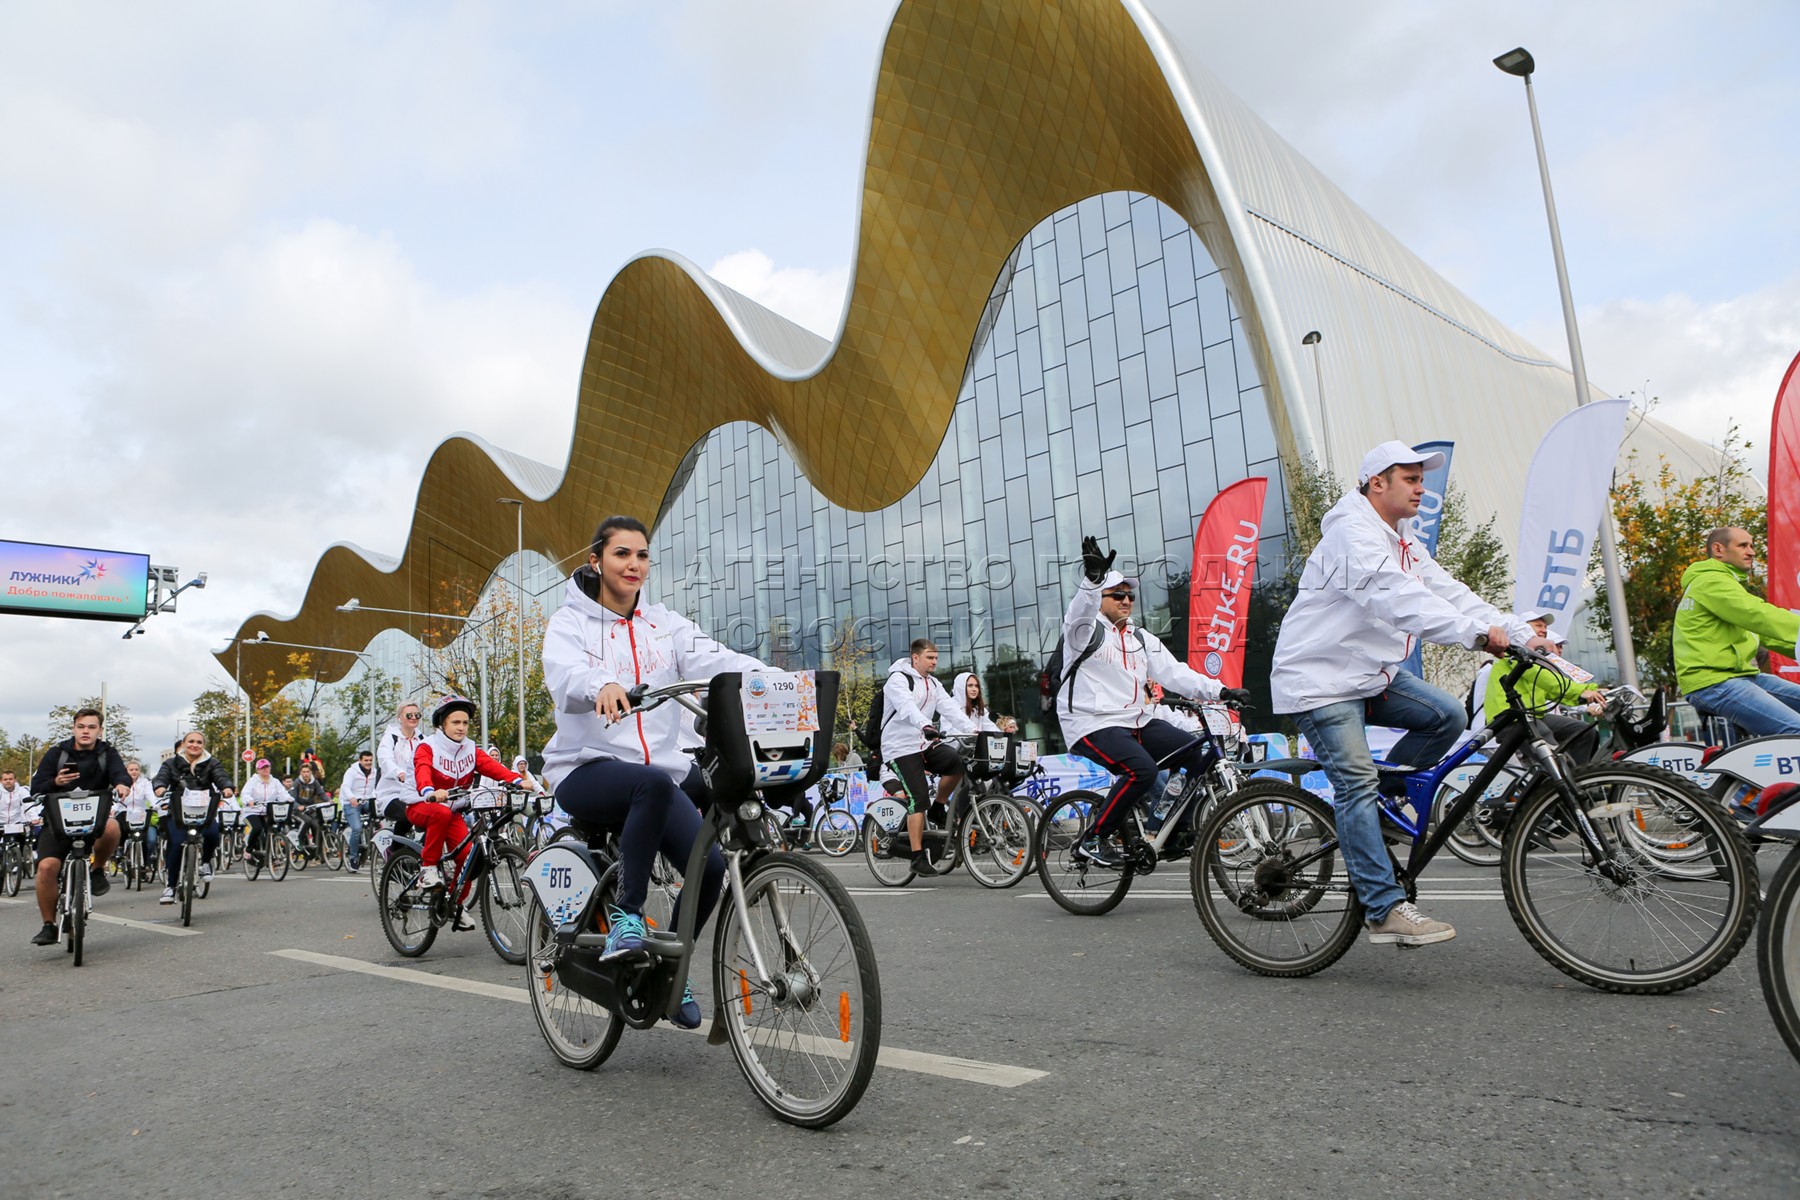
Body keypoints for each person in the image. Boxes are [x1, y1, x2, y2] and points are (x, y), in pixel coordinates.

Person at [1271, 441, 1540, 948]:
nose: (1421, 488)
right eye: (1411, 479)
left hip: (1371, 675)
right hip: (1320, 681)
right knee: (1355, 783)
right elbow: (1398, 599)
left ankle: (1378, 813)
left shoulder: (1402, 539)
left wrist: (1517, 629)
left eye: (1422, 479)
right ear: (1378, 483)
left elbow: (1445, 590)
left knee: (1447, 716)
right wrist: (1475, 636)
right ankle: (1383, 909)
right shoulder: (1352, 535)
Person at [542, 514, 773, 1030]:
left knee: (710, 867)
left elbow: (714, 658)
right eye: (622, 554)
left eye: (642, 555)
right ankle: (627, 916)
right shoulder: (570, 622)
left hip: (657, 772)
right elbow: (565, 672)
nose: (634, 564)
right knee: (650, 783)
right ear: (596, 560)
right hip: (585, 766)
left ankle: (670, 969)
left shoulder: (664, 624)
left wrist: (772, 679)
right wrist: (601, 684)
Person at [1054, 537, 1239, 867]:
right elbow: (1078, 613)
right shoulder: (1083, 634)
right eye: (1117, 595)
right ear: (1100, 599)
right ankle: (1094, 839)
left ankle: (1164, 829)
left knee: (1193, 753)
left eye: (1130, 595)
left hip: (1135, 721)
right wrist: (1092, 582)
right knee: (1142, 770)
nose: (1126, 600)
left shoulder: (1140, 637)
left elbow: (1176, 673)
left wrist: (1222, 692)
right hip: (1092, 723)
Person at [411, 695, 527, 929]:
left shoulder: (470, 748)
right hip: (421, 803)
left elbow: (491, 766)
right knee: (441, 813)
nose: (461, 727)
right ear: (442, 724)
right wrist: (430, 790)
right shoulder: (427, 746)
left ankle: (455, 905)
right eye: (455, 722)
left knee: (469, 859)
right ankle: (427, 869)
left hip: (452, 812)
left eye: (465, 723)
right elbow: (422, 768)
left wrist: (516, 780)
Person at [1674, 526, 1800, 736]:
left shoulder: (1722, 584)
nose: (1752, 552)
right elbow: (1758, 614)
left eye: (1752, 545)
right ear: (1718, 549)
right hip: (1715, 682)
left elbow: (1765, 635)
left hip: (1741, 677)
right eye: (1743, 546)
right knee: (1796, 730)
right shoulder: (1711, 581)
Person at [27, 707, 130, 945]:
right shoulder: (57, 753)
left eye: (92, 727)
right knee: (46, 868)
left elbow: (120, 774)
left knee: (112, 827)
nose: (86, 731)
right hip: (58, 823)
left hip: (94, 821)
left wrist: (122, 784)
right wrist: (56, 781)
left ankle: (97, 870)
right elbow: (36, 787)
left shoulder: (107, 752)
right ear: (73, 728)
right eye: (81, 726)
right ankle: (49, 925)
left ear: (100, 731)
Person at [881, 639, 976, 876]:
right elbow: (907, 708)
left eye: (936, 658)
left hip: (924, 742)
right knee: (918, 796)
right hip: (900, 747)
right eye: (930, 658)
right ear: (915, 658)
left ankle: (938, 807)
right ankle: (917, 856)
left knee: (956, 763)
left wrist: (973, 730)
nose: (935, 662)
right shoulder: (897, 680)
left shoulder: (933, 683)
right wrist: (925, 724)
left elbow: (950, 709)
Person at [151, 731, 235, 904]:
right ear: (183, 744)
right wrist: (160, 787)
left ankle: (206, 863)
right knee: (175, 843)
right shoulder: (171, 763)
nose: (194, 745)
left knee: (212, 834)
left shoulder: (212, 763)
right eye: (191, 741)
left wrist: (227, 788)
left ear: (203, 745)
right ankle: (171, 887)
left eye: (199, 742)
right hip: (178, 811)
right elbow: (161, 777)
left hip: (204, 809)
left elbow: (221, 777)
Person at [375, 701, 425, 838]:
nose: (414, 717)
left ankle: (424, 849)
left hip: (417, 794)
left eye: (417, 715)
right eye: (409, 715)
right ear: (399, 718)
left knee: (436, 816)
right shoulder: (390, 738)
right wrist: (399, 773)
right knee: (408, 815)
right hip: (392, 794)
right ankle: (395, 849)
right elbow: (385, 760)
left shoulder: (424, 740)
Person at [240, 759, 292, 871]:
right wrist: (249, 800)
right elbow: (245, 793)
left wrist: (288, 799)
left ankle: (270, 856)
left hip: (268, 812)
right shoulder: (252, 781)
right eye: (262, 768)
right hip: (251, 811)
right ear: (258, 770)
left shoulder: (275, 782)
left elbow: (282, 793)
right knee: (257, 828)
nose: (265, 769)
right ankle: (248, 850)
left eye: (267, 767)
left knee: (271, 831)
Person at [338, 750, 377, 870]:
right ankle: (353, 857)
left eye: (370, 760)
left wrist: (375, 797)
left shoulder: (374, 772)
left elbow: (375, 788)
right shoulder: (352, 771)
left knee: (379, 818)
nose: (368, 763)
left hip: (366, 801)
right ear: (360, 760)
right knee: (357, 828)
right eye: (366, 760)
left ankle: (374, 847)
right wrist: (352, 798)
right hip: (351, 803)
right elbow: (345, 787)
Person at [120, 759, 158, 867]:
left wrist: (156, 805)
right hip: (125, 815)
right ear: (126, 771)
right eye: (131, 769)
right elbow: (118, 800)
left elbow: (151, 796)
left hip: (142, 816)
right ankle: (121, 852)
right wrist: (113, 809)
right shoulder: (121, 783)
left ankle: (146, 862)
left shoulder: (145, 783)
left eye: (136, 769)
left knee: (151, 840)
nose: (134, 772)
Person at [292, 762, 330, 862]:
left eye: (308, 772)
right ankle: (299, 841)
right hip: (298, 810)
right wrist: (298, 806)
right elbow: (292, 798)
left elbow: (321, 794)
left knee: (317, 825)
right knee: (306, 821)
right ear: (300, 773)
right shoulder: (296, 783)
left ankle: (318, 850)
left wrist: (328, 800)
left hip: (310, 808)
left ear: (311, 772)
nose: (306, 774)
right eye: (304, 772)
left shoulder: (315, 782)